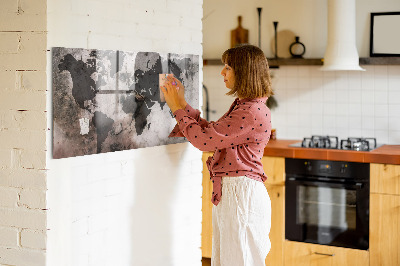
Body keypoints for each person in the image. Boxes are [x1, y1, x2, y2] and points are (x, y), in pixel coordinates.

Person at [161, 44, 273, 266]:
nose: (222, 72)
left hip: (241, 195)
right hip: (236, 193)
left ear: (244, 72)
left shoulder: (250, 111)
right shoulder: (246, 106)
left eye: (228, 67)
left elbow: (204, 141)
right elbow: (212, 133)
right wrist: (182, 103)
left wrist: (176, 108)